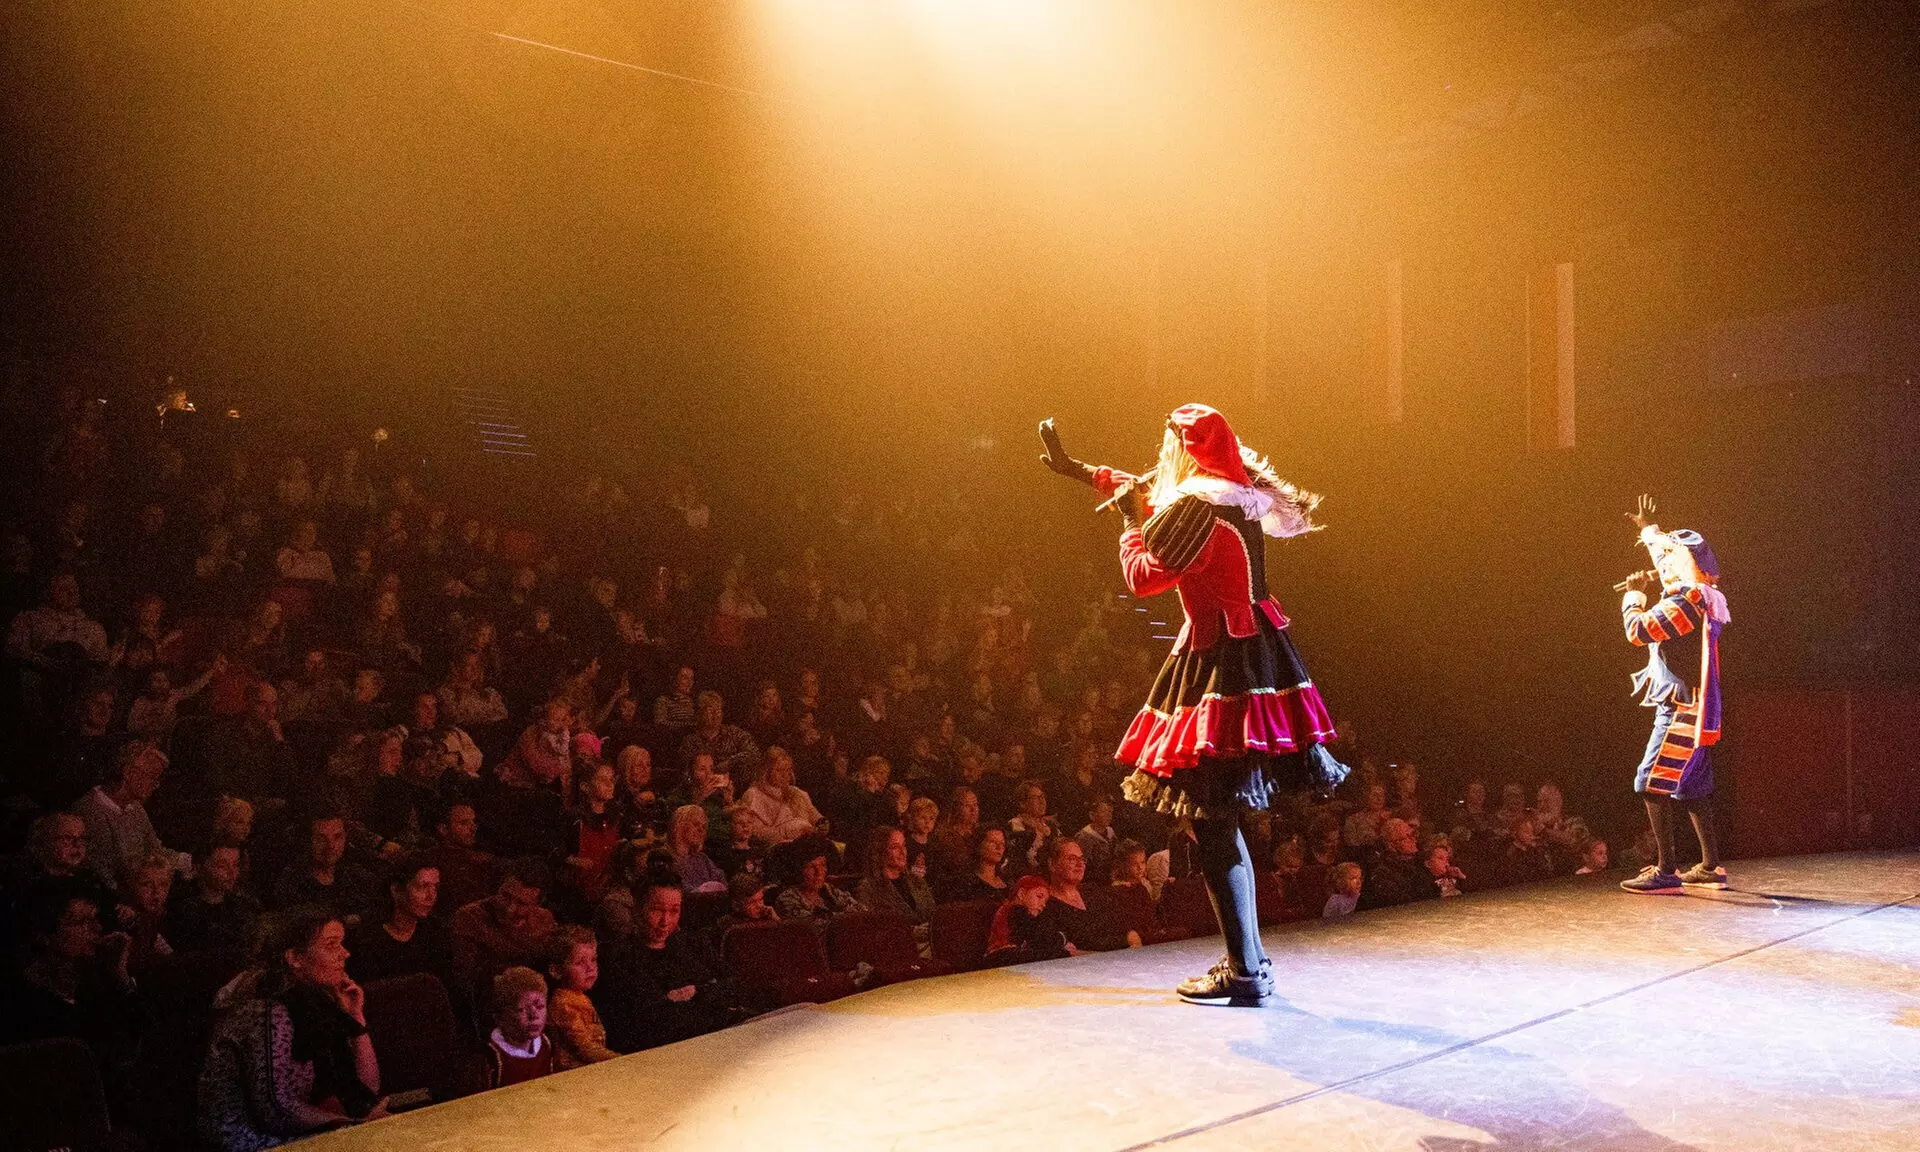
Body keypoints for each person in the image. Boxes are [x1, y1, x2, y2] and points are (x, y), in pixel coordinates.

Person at [1040, 405, 1347, 1005]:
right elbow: (1142, 486)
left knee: (1212, 823)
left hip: (1220, 664)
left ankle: (1245, 970)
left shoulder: (1196, 510)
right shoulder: (1232, 499)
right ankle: (1248, 964)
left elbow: (1142, 577)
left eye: (1167, 446)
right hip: (1254, 656)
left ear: (1183, 450)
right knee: (1218, 821)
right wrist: (1078, 470)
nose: (1160, 457)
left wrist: (1128, 525)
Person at [198, 909, 387, 1149]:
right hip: (252, 1141)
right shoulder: (264, 1009)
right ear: (295, 958)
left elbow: (367, 1088)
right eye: (331, 945)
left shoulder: (317, 1001)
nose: (345, 953)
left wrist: (356, 1018)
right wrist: (352, 1125)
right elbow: (276, 1110)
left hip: (296, 1132)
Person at [1617, 496, 1731, 894]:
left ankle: (1666, 871)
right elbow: (1668, 555)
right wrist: (1648, 530)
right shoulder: (1704, 595)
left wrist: (1634, 596)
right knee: (1692, 786)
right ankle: (1710, 866)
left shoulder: (1687, 602)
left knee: (1650, 780)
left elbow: (1638, 631)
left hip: (1681, 708)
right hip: (1695, 705)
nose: (1663, 564)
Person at [74, 740, 189, 894]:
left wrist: (190, 863)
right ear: (128, 773)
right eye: (152, 776)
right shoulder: (91, 811)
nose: (156, 785)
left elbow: (154, 850)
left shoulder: (135, 808)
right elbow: (102, 873)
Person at [451, 859, 558, 997]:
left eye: (521, 903)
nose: (509, 909)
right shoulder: (470, 917)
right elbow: (465, 979)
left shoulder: (544, 920)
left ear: (536, 906)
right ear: (499, 888)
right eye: (505, 896)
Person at [346, 855, 452, 988]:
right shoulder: (365, 938)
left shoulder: (435, 933)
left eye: (435, 887)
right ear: (396, 890)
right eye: (423, 886)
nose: (432, 896)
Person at [1033, 837, 1139, 953]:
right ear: (1052, 865)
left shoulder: (1092, 891)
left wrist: (1134, 945)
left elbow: (1126, 928)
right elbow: (1065, 953)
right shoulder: (1045, 904)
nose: (1080, 864)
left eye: (1082, 859)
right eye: (1072, 859)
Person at [272, 810, 380, 921]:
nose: (330, 845)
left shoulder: (357, 875)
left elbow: (379, 908)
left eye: (337, 837)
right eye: (321, 838)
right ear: (309, 841)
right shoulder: (293, 882)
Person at [544, 925, 620, 1068]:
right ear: (556, 971)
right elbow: (584, 1047)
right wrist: (621, 1060)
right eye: (579, 962)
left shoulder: (580, 997)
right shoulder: (564, 1004)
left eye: (593, 959)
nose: (590, 968)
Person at [167, 841, 262, 953]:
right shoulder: (182, 911)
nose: (231, 872)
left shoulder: (243, 907)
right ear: (199, 867)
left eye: (235, 865)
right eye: (222, 866)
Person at [483, 967, 555, 1089]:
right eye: (522, 1009)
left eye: (540, 1006)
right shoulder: (492, 1058)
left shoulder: (546, 1043)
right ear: (500, 1018)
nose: (534, 1015)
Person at [771, 835, 864, 927]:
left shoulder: (829, 890)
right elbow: (816, 928)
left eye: (823, 865)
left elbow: (862, 912)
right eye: (811, 867)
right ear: (798, 869)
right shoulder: (787, 899)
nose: (819, 872)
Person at [740, 746, 824, 847]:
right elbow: (756, 833)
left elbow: (815, 816)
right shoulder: (753, 795)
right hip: (777, 849)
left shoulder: (797, 793)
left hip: (807, 844)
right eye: (779, 770)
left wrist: (822, 824)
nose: (785, 775)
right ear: (766, 771)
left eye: (787, 770)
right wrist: (789, 830)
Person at [984, 874, 1071, 964]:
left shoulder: (1011, 910)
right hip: (1002, 957)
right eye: (1039, 896)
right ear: (1021, 894)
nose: (1043, 905)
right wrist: (1062, 938)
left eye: (1045, 902)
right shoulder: (1017, 910)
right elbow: (1039, 940)